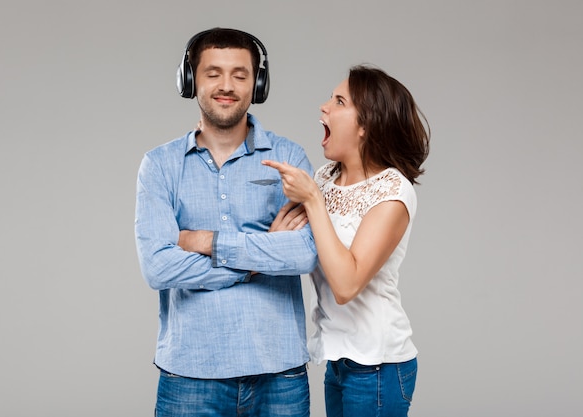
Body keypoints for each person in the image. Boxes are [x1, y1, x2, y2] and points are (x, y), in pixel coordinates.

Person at [134, 28, 317, 417]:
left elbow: (303, 254)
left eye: (240, 74)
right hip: (189, 374)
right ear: (190, 80)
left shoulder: (289, 157)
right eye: (213, 73)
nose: (227, 86)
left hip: (279, 372)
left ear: (258, 84)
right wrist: (260, 258)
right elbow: (158, 266)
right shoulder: (160, 166)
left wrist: (206, 241)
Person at [263, 65, 430, 417]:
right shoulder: (326, 177)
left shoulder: (393, 190)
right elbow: (294, 243)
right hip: (337, 358)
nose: (324, 107)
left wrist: (312, 201)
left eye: (339, 101)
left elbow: (346, 283)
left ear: (366, 125)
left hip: (378, 365)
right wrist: (274, 241)